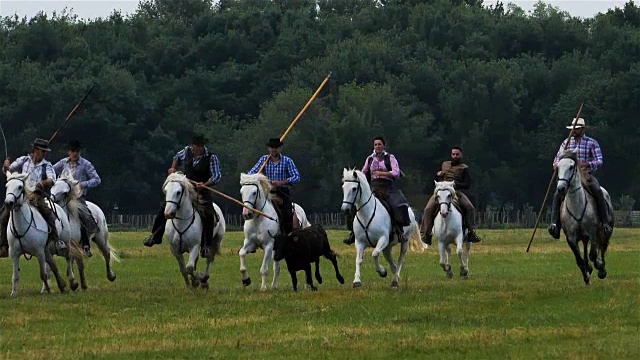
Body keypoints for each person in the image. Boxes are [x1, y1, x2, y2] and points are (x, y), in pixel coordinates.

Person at [143, 134, 222, 257]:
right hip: (186, 189)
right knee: (166, 207)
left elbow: (217, 176)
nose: (198, 149)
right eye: (197, 146)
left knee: (208, 213)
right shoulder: (186, 151)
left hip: (202, 191)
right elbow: (176, 157)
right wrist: (172, 169)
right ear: (193, 145)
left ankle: (206, 245)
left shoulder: (211, 157)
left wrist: (205, 184)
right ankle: (156, 236)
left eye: (201, 146)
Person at [548, 117, 612, 240]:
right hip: (569, 176)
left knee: (597, 191)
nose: (574, 131)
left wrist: (587, 164)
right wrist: (556, 164)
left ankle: (604, 223)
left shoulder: (591, 143)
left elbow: (599, 160)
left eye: (576, 129)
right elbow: (557, 158)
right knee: (557, 195)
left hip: (585, 175)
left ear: (582, 129)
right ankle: (555, 225)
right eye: (573, 129)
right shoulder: (566, 143)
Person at [0, 138, 66, 258]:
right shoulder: (24, 160)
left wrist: (44, 182)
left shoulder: (47, 165)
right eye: (43, 151)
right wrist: (6, 167)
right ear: (35, 150)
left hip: (37, 194)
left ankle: (56, 241)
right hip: (21, 194)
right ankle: (4, 246)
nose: (45, 153)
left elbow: (52, 179)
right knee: (4, 216)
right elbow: (9, 170)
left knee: (48, 213)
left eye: (45, 151)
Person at [343, 136, 410, 245]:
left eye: (379, 144)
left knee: (396, 205)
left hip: (388, 188)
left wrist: (383, 173)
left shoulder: (390, 158)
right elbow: (364, 172)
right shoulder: (370, 159)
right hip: (373, 188)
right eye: (375, 144)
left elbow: (396, 172)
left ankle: (399, 230)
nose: (377, 146)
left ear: (384, 145)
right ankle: (353, 232)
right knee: (356, 206)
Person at [419, 146, 482, 245]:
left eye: (457, 154)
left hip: (455, 192)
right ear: (451, 155)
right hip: (441, 190)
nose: (455, 156)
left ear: (461, 155)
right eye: (453, 154)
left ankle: (471, 232)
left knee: (469, 207)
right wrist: (437, 175)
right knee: (428, 209)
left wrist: (456, 184)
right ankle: (426, 234)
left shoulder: (464, 168)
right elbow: (435, 179)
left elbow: (467, 184)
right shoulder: (444, 164)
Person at [53, 140, 101, 257]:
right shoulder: (63, 163)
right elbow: (51, 171)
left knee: (83, 214)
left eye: (77, 151)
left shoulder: (86, 164)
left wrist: (83, 184)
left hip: (77, 196)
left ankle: (85, 244)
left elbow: (97, 179)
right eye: (73, 151)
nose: (75, 154)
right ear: (69, 152)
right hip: (62, 196)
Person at [248, 137, 300, 234]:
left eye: (276, 147)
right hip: (267, 192)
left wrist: (282, 182)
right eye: (272, 147)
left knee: (286, 213)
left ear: (280, 149)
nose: (274, 150)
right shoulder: (263, 160)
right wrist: (261, 179)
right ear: (269, 149)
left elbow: (296, 177)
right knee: (251, 206)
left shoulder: (287, 161)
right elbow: (251, 173)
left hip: (282, 193)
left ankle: (287, 233)